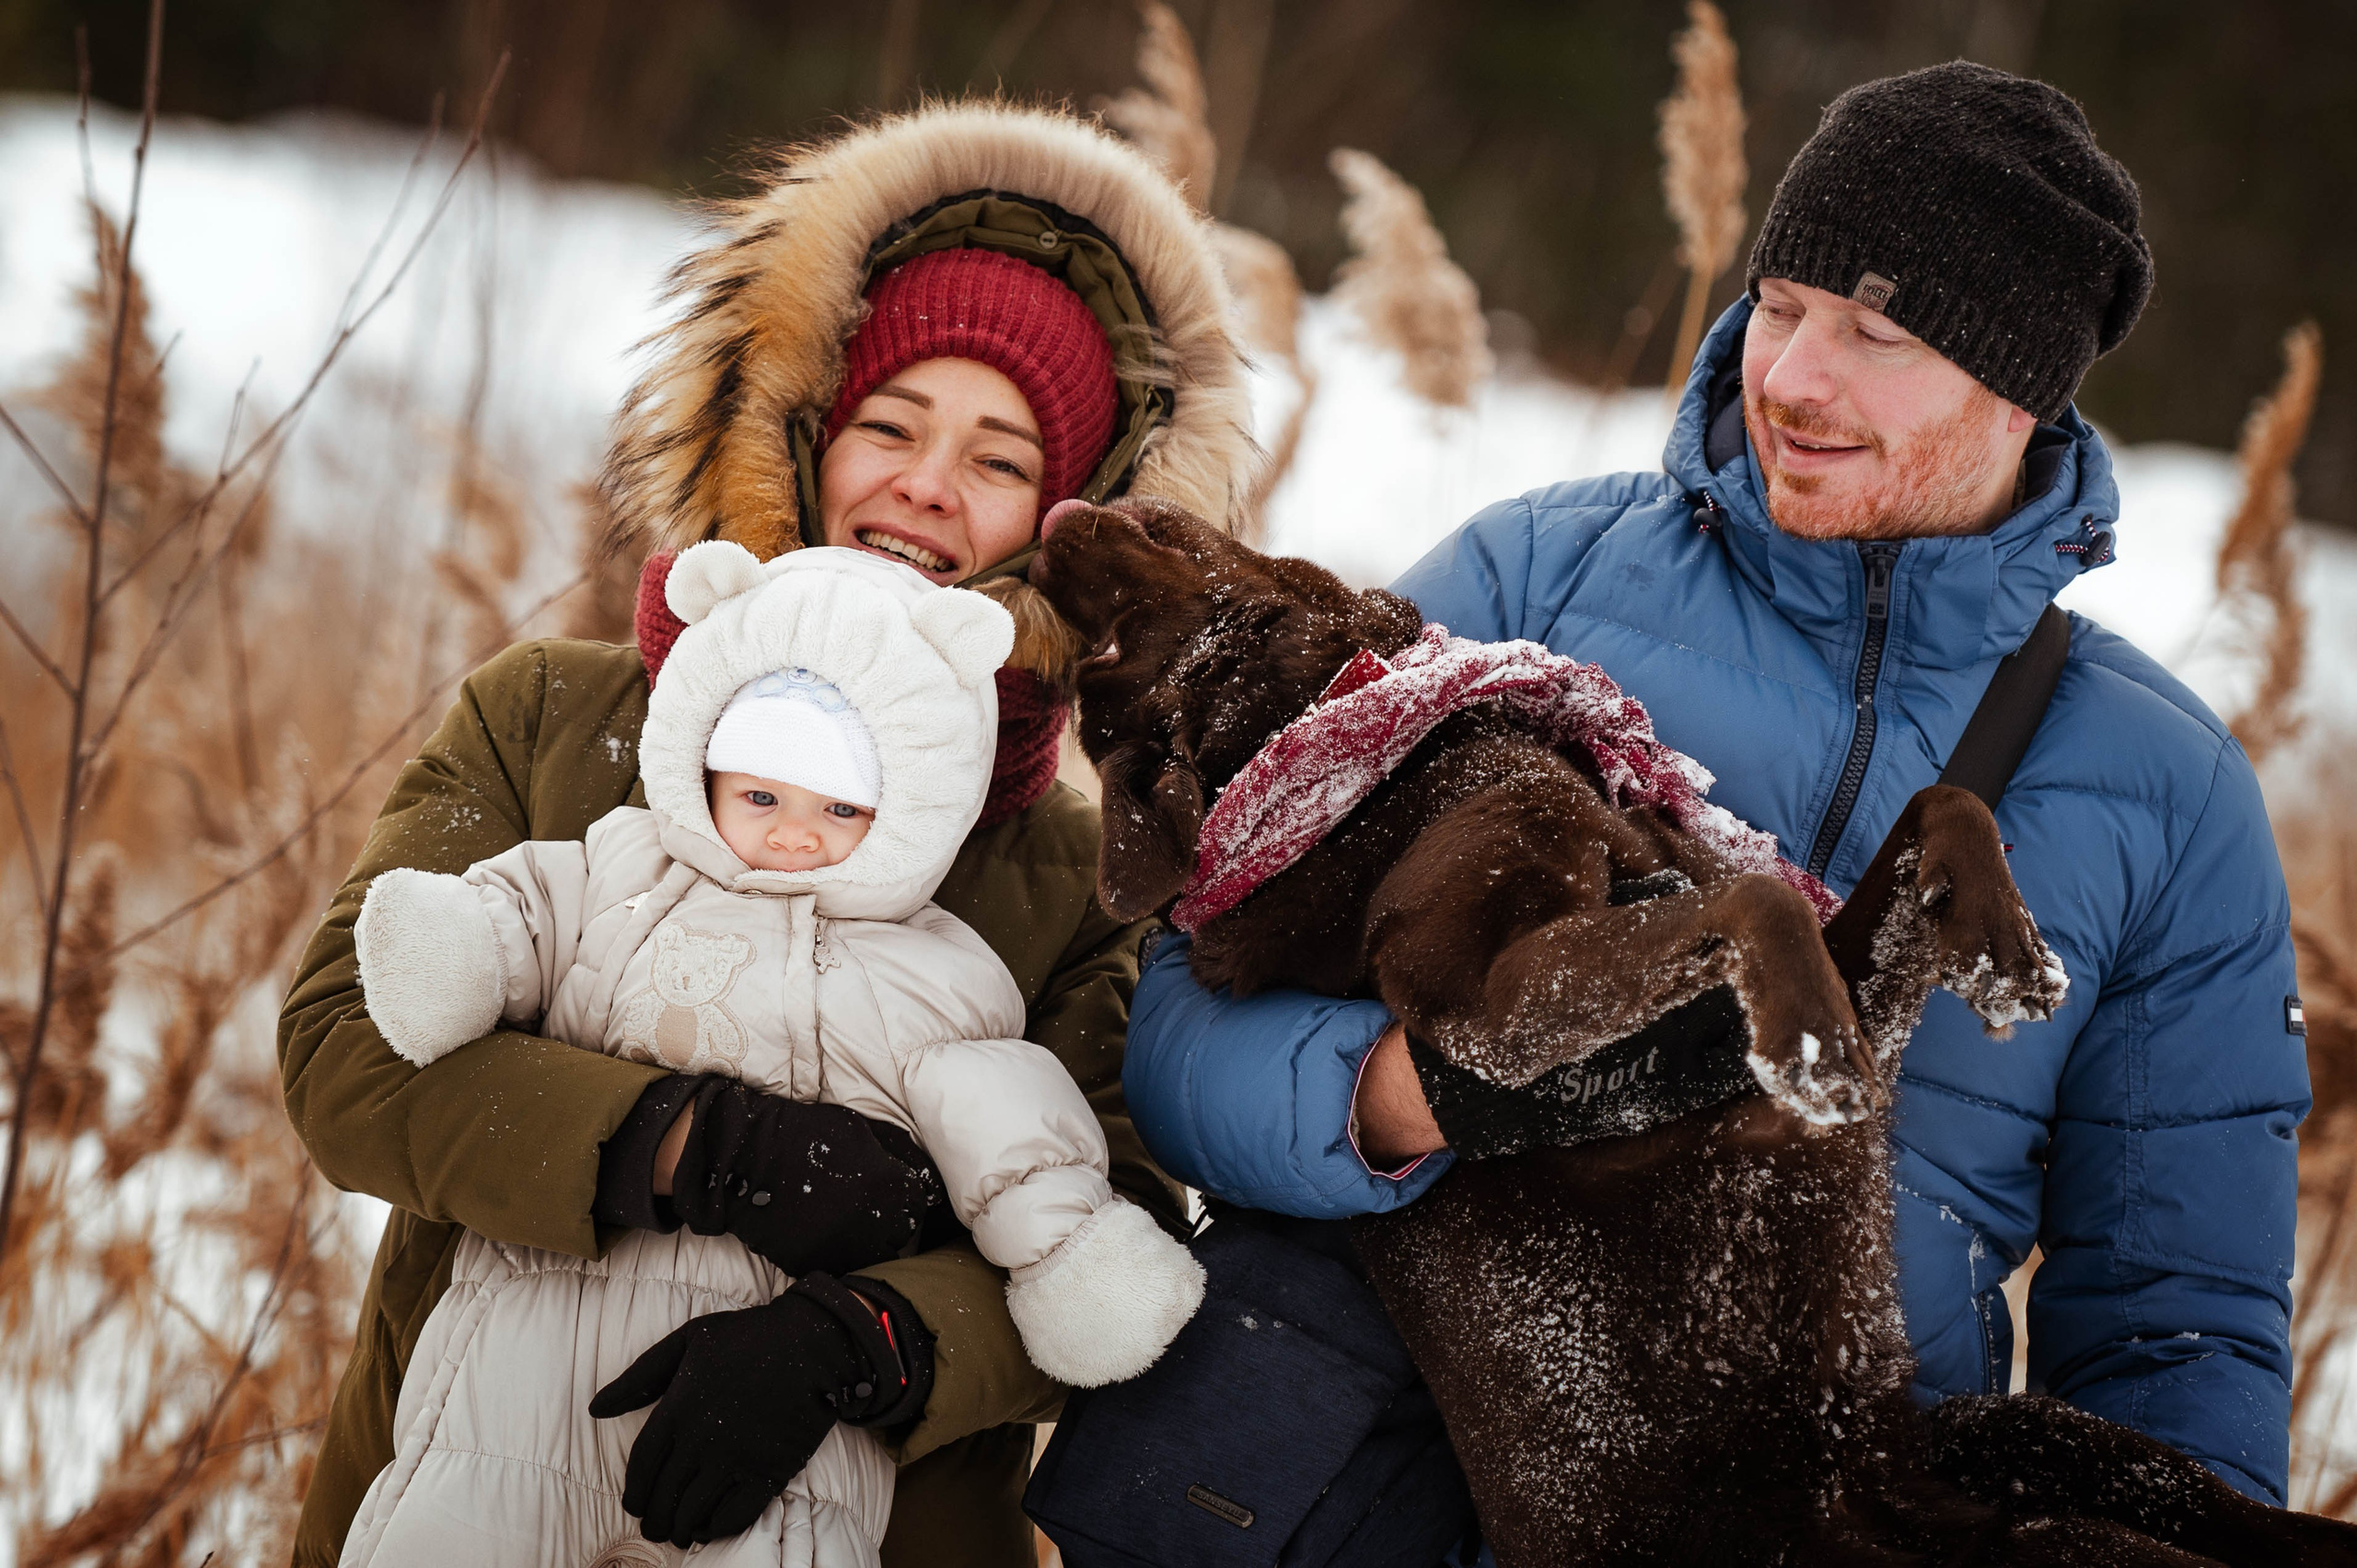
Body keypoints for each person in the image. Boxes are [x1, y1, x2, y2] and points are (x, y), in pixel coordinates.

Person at [1125, 59, 2309, 1520]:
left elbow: (2175, 1321)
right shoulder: (1522, 584)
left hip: (1793, 1517)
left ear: (2020, 397)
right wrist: (1402, 1097)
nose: (1795, 375)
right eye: (1786, 305)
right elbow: (1180, 1014)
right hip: (1379, 1481)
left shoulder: (2168, 789)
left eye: (1876, 333)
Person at [281, 101, 1258, 1568]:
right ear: (798, 436)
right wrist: (690, 1148)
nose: (928, 483)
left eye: (998, 458)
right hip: (459, 1479)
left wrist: (868, 1336)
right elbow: (346, 1049)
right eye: (890, 424)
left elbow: (1101, 1232)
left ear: (1073, 519)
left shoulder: (1078, 871)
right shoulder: (553, 717)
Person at [335, 546, 1202, 1564]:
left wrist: (1061, 1259)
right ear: (701, 769)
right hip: (514, 1371)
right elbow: (504, 925)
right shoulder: (620, 864)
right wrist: (456, 947)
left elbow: (1016, 1131)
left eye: (840, 809)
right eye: (762, 798)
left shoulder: (940, 974)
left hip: (786, 1454)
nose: (795, 837)